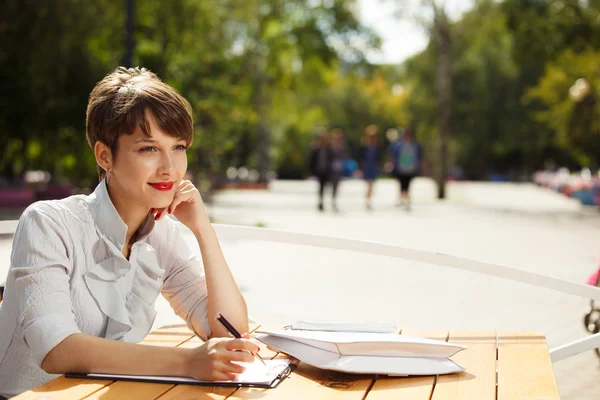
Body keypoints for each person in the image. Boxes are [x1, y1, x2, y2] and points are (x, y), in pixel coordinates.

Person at [0, 67, 258, 398]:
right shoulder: (49, 223)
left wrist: (203, 230)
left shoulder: (163, 234)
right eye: (148, 148)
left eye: (178, 147)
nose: (169, 167)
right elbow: (57, 349)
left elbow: (230, 332)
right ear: (105, 155)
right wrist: (187, 362)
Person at [390, 125, 423, 210]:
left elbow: (419, 156)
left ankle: (407, 201)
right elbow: (393, 155)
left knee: (408, 185)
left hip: (410, 168)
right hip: (400, 168)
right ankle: (402, 200)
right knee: (401, 184)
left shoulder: (415, 145)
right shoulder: (399, 145)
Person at [309, 130, 334, 211]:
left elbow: (332, 159)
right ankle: (320, 201)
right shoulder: (316, 148)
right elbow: (312, 160)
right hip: (319, 170)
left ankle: (325, 201)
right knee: (320, 186)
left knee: (326, 186)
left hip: (327, 170)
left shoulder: (329, 148)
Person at [359, 125, 380, 210]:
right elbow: (361, 157)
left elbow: (379, 158)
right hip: (366, 167)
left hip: (373, 167)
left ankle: (368, 200)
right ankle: (367, 200)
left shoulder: (377, 146)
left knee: (371, 185)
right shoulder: (364, 145)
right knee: (368, 184)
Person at [329, 128, 348, 212]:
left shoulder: (342, 148)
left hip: (339, 169)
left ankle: (333, 200)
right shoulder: (330, 147)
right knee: (330, 186)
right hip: (330, 169)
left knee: (336, 186)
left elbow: (345, 157)